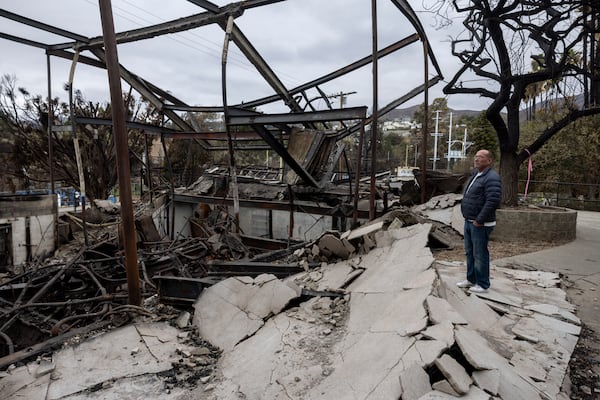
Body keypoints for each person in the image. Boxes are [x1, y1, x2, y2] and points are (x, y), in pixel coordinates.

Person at [456, 149, 502, 293]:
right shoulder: (477, 174)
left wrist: (480, 220)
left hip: (480, 223)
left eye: (480, 157)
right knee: (470, 252)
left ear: (489, 161)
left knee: (480, 254)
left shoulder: (492, 177)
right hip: (469, 221)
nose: (476, 159)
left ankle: (482, 284)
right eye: (476, 157)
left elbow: (493, 201)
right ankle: (471, 279)